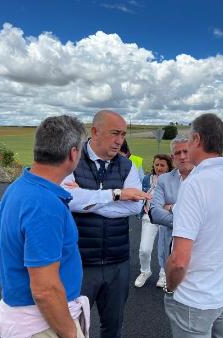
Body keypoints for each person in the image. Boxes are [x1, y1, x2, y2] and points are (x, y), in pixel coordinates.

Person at [164, 113, 223, 338]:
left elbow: (178, 261)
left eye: (188, 140)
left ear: (197, 139)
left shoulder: (193, 185)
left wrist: (170, 287)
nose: (186, 146)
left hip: (194, 300)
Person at [0, 115, 89, 338]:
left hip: (25, 316)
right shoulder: (44, 203)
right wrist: (70, 333)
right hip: (42, 324)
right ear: (73, 153)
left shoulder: (21, 186)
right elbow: (45, 289)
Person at [62, 110, 151, 338]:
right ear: (94, 131)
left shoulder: (128, 166)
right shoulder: (71, 159)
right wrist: (118, 194)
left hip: (117, 263)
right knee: (74, 328)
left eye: (122, 134)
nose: (120, 140)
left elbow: (133, 207)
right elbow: (69, 201)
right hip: (80, 263)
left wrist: (87, 199)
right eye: (114, 133)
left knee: (113, 327)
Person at [148, 136, 195, 288]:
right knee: (173, 297)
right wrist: (191, 223)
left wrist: (172, 207)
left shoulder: (206, 179)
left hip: (199, 251)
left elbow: (209, 215)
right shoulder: (164, 180)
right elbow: (154, 212)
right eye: (177, 153)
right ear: (173, 157)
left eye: (186, 151)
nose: (182, 156)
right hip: (169, 248)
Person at [134, 154, 173, 288]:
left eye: (162, 165)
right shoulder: (147, 179)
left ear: (168, 166)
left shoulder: (173, 180)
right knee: (144, 249)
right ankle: (145, 271)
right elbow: (139, 192)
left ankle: (164, 275)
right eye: (156, 164)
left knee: (165, 249)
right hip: (148, 216)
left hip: (165, 218)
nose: (159, 167)